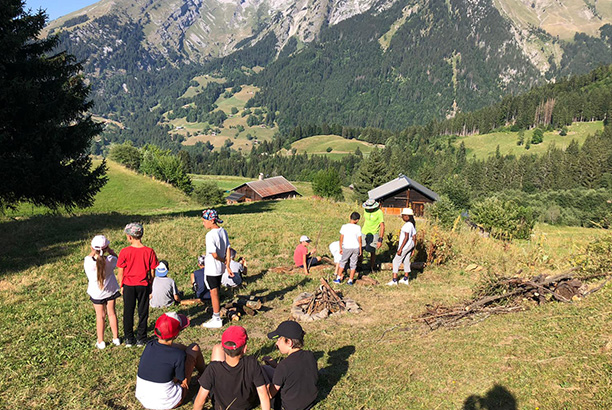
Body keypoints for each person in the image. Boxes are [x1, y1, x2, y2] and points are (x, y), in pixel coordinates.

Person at [136, 312, 206, 410]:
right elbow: (180, 378)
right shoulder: (178, 355)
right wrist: (189, 353)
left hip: (143, 398)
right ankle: (205, 374)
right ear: (176, 334)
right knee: (195, 348)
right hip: (168, 402)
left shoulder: (149, 345)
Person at [193, 326, 270, 410]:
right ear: (245, 349)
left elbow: (200, 401)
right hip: (246, 405)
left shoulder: (213, 369)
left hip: (220, 407)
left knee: (216, 349)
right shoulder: (252, 363)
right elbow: (263, 393)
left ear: (223, 348)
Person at [117, 222, 159, 347]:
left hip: (129, 285)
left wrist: (121, 285)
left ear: (129, 237)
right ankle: (141, 338)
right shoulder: (149, 251)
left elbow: (121, 271)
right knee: (143, 311)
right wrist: (150, 284)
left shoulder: (124, 251)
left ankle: (129, 338)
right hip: (143, 284)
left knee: (128, 311)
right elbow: (152, 271)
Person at [264, 321, 318, 410]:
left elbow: (270, 394)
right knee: (269, 369)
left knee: (265, 370)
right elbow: (294, 372)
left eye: (279, 339)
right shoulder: (310, 355)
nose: (276, 343)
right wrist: (275, 365)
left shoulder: (284, 366)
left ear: (289, 342)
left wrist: (262, 386)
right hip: (309, 402)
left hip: (290, 406)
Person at [84, 234, 121, 349]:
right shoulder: (110, 260)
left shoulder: (88, 262)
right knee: (112, 313)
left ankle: (101, 341)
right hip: (110, 291)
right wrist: (111, 251)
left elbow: (90, 257)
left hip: (97, 293)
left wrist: (94, 250)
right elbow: (118, 260)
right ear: (106, 248)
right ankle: (116, 338)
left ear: (92, 248)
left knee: (100, 316)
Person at [201, 209, 232, 329]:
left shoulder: (210, 235)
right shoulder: (223, 231)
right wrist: (227, 264)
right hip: (220, 269)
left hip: (212, 269)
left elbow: (213, 254)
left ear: (211, 220)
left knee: (213, 293)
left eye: (204, 221)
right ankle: (216, 314)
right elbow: (228, 248)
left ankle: (216, 318)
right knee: (217, 291)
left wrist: (222, 260)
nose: (203, 223)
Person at [388, 208, 417, 286]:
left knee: (395, 261)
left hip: (405, 246)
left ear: (407, 216)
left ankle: (394, 280)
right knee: (406, 261)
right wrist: (413, 248)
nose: (402, 217)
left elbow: (406, 237)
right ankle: (406, 279)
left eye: (403, 216)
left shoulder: (407, 225)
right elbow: (414, 237)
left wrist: (400, 249)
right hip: (410, 245)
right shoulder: (412, 224)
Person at [334, 212, 362, 285]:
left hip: (346, 247)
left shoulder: (344, 226)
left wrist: (340, 248)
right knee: (353, 264)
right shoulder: (358, 227)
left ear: (350, 218)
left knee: (343, 262)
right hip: (355, 247)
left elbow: (341, 238)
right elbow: (360, 240)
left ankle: (338, 278)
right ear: (357, 220)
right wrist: (360, 249)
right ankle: (350, 280)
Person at [361, 198, 385, 272]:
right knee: (360, 249)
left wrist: (380, 239)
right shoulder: (365, 210)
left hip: (374, 233)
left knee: (372, 251)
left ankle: (371, 267)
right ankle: (359, 266)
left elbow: (382, 226)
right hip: (364, 232)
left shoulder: (379, 212)